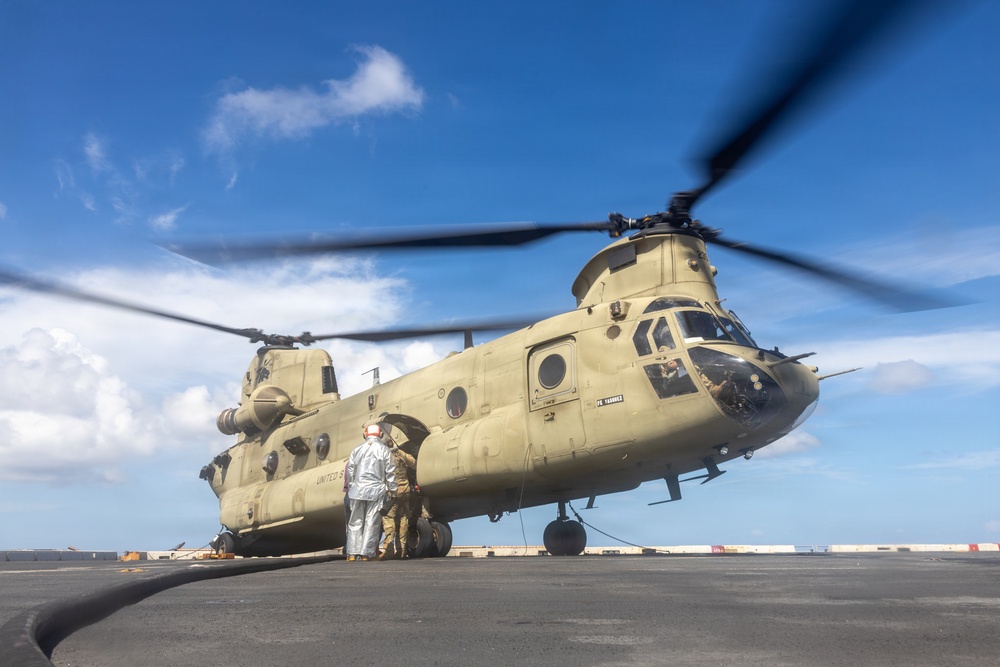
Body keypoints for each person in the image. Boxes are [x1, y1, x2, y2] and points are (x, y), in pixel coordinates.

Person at [345, 424, 397, 561]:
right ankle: (366, 554)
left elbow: (350, 470)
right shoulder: (384, 450)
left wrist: (352, 487)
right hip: (377, 492)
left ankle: (351, 553)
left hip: (357, 491)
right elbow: (390, 472)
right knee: (371, 522)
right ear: (380, 435)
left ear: (365, 434)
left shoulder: (356, 450)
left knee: (355, 521)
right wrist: (393, 490)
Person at [379, 438, 417, 560]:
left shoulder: (385, 456)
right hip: (405, 491)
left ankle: (389, 550)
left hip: (392, 493)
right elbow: (414, 463)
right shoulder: (401, 454)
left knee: (389, 518)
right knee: (403, 519)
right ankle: (402, 550)